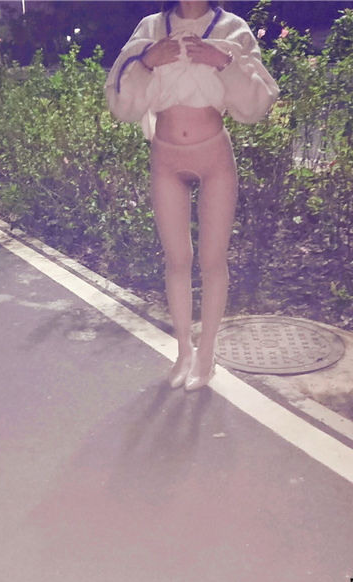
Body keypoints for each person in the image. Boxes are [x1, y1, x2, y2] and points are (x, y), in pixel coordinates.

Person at [105, 0, 280, 391]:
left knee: (212, 259)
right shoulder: (151, 28)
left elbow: (256, 104)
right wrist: (146, 62)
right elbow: (120, 103)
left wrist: (223, 62)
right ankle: (184, 349)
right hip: (166, 157)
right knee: (177, 258)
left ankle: (207, 353)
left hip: (214, 155)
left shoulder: (232, 29)